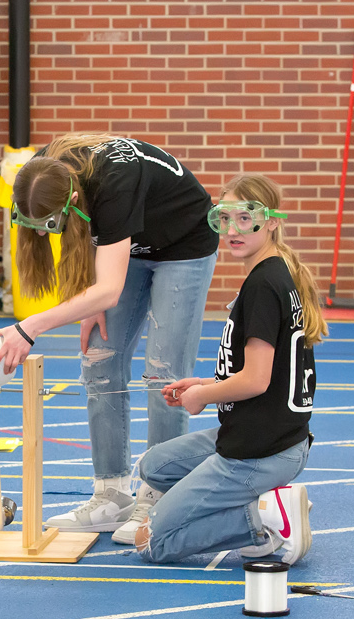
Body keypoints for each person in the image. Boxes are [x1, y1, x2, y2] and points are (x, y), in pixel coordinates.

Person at [0, 135, 219, 542]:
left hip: (183, 243)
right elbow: (91, 251)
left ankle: (159, 493)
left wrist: (30, 328)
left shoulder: (116, 182)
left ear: (74, 196)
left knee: (163, 374)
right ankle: (111, 494)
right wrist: (89, 299)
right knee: (99, 358)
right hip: (129, 244)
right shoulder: (39, 173)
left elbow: (110, 289)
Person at [132, 174, 320, 564]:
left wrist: (203, 396)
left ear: (270, 221)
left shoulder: (265, 285)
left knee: (155, 543)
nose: (233, 230)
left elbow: (255, 379)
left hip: (260, 450)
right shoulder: (272, 272)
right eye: (224, 219)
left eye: (245, 218)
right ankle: (260, 503)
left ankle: (264, 517)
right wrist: (202, 382)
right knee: (155, 465)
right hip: (264, 435)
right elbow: (265, 371)